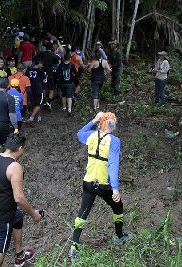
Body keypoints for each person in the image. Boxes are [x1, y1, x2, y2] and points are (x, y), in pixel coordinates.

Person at [68, 112, 132, 261]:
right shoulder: (114, 141)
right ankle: (119, 236)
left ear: (100, 123)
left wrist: (93, 120)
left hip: (88, 182)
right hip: (103, 185)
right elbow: (113, 164)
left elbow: (79, 133)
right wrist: (115, 188)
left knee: (82, 213)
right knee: (118, 206)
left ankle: (73, 247)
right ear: (113, 125)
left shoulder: (91, 136)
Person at [0, 133, 42, 267]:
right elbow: (19, 198)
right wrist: (34, 214)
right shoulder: (15, 167)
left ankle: (20, 256)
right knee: (0, 248)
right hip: (3, 214)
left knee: (18, 217)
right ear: (20, 148)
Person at [40, 42, 60, 110]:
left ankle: (45, 100)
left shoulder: (41, 54)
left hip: (42, 73)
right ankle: (49, 101)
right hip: (50, 73)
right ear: (52, 48)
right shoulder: (54, 55)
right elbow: (57, 64)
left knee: (44, 87)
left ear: (45, 47)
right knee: (51, 88)